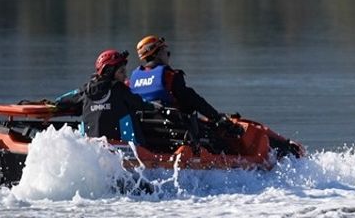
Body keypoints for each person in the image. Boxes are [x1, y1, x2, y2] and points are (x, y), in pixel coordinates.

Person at [129, 35, 304, 157]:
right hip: (180, 132)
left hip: (153, 137)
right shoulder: (169, 77)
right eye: (166, 52)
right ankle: (289, 151)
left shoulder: (133, 81)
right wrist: (218, 118)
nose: (168, 56)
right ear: (158, 53)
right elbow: (194, 100)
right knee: (229, 139)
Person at [55, 49, 147, 143]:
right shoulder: (120, 89)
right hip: (121, 149)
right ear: (110, 72)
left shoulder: (85, 90)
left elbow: (60, 100)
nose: (125, 75)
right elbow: (141, 104)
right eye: (122, 71)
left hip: (89, 147)